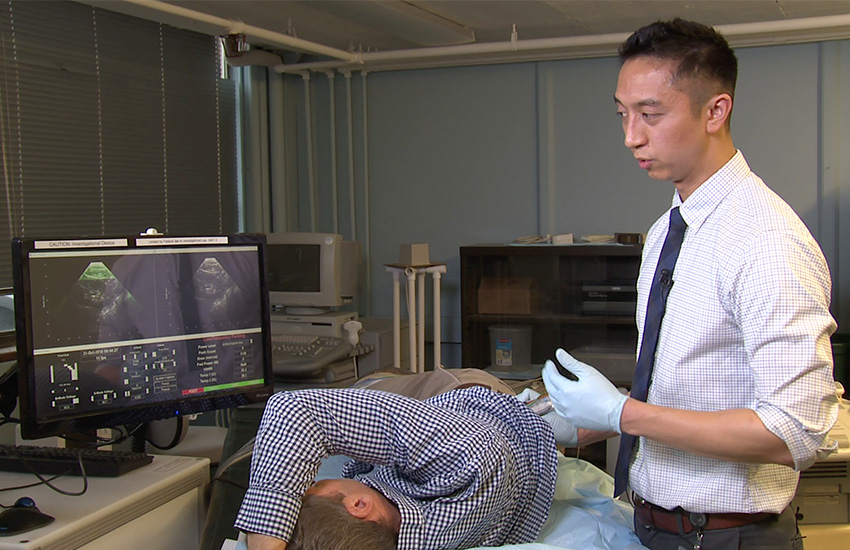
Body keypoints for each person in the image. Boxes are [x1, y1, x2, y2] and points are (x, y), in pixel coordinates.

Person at [542, 18, 839, 550]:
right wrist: (585, 420)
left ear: (715, 111)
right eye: (624, 114)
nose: (631, 136)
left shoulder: (767, 240)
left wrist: (622, 413)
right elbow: (690, 388)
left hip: (729, 537)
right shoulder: (665, 233)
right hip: (654, 525)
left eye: (651, 114)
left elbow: (796, 430)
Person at [233, 369, 560, 550]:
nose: (311, 479)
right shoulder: (465, 458)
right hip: (471, 399)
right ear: (359, 505)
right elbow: (294, 411)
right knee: (372, 383)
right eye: (311, 487)